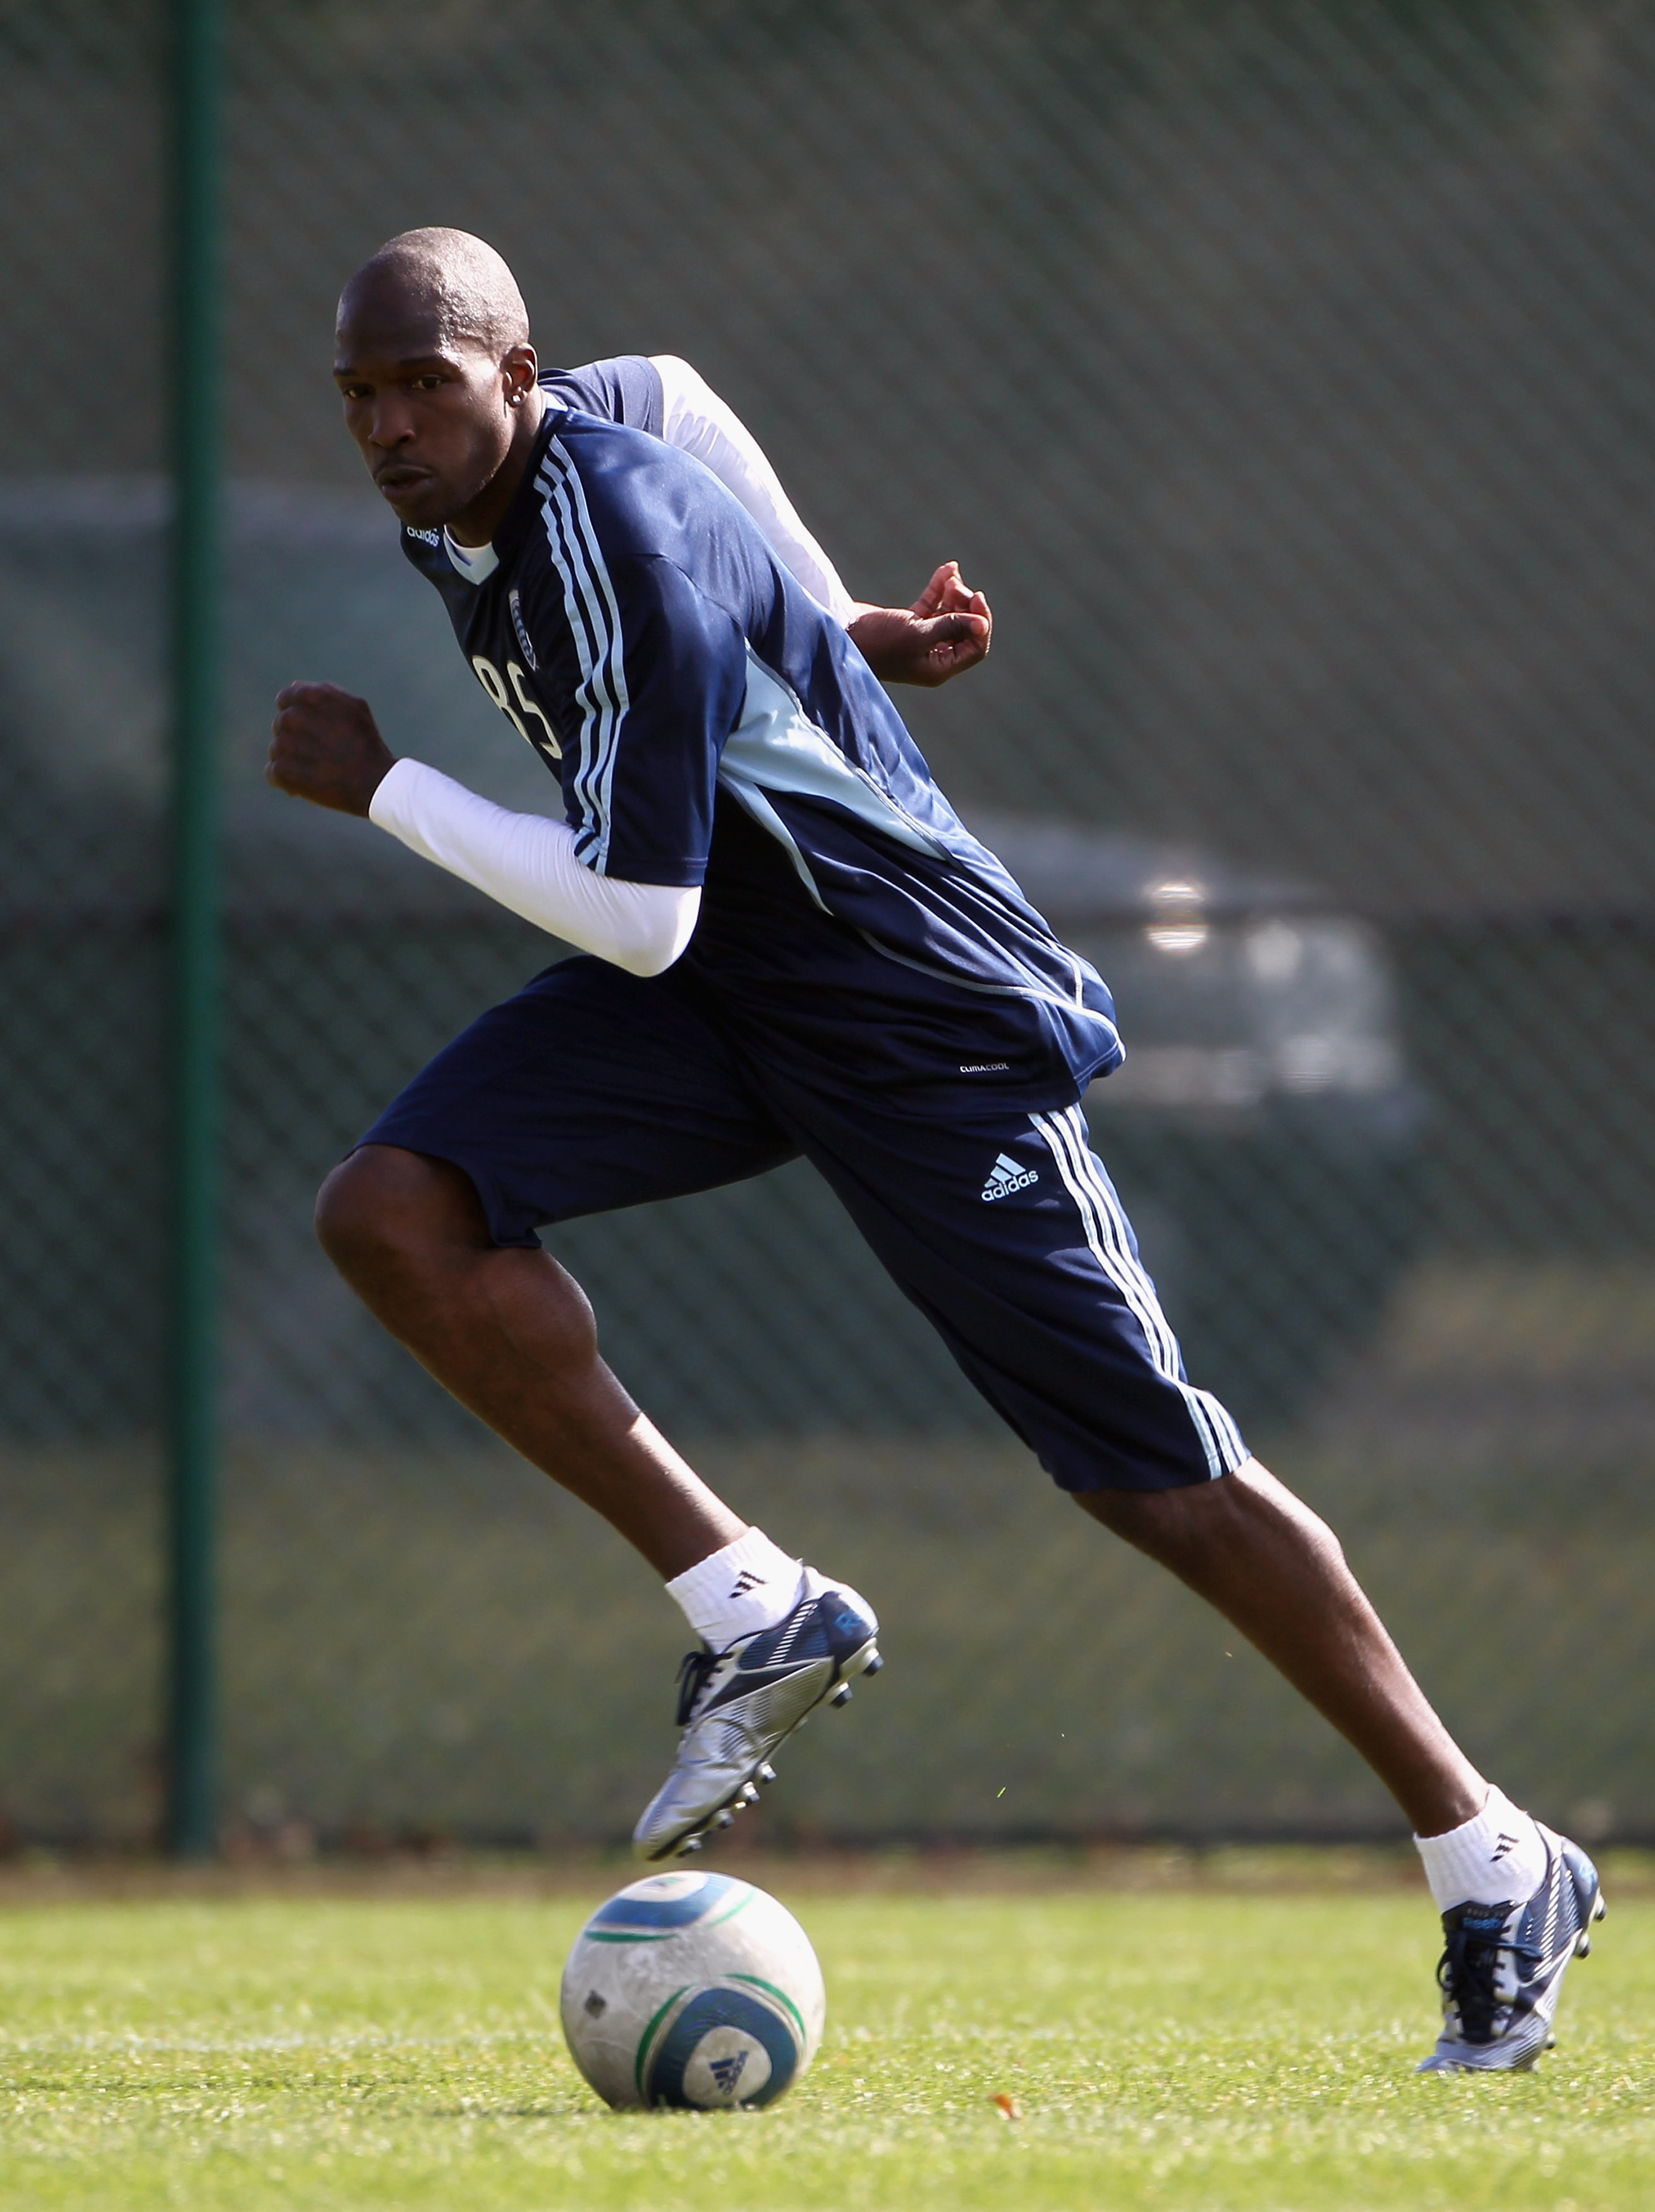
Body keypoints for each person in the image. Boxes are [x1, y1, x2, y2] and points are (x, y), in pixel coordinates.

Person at [268, 227, 1601, 2072]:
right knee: (393, 1211)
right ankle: (755, 1605)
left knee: (1149, 1468)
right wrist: (834, 629)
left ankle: (1491, 1851)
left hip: (903, 1009)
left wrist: (389, 789)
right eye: (362, 393)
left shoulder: (613, 542)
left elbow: (635, 910)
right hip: (728, 990)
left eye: (426, 381)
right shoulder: (531, 459)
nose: (393, 423)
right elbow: (685, 394)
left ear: (512, 369)